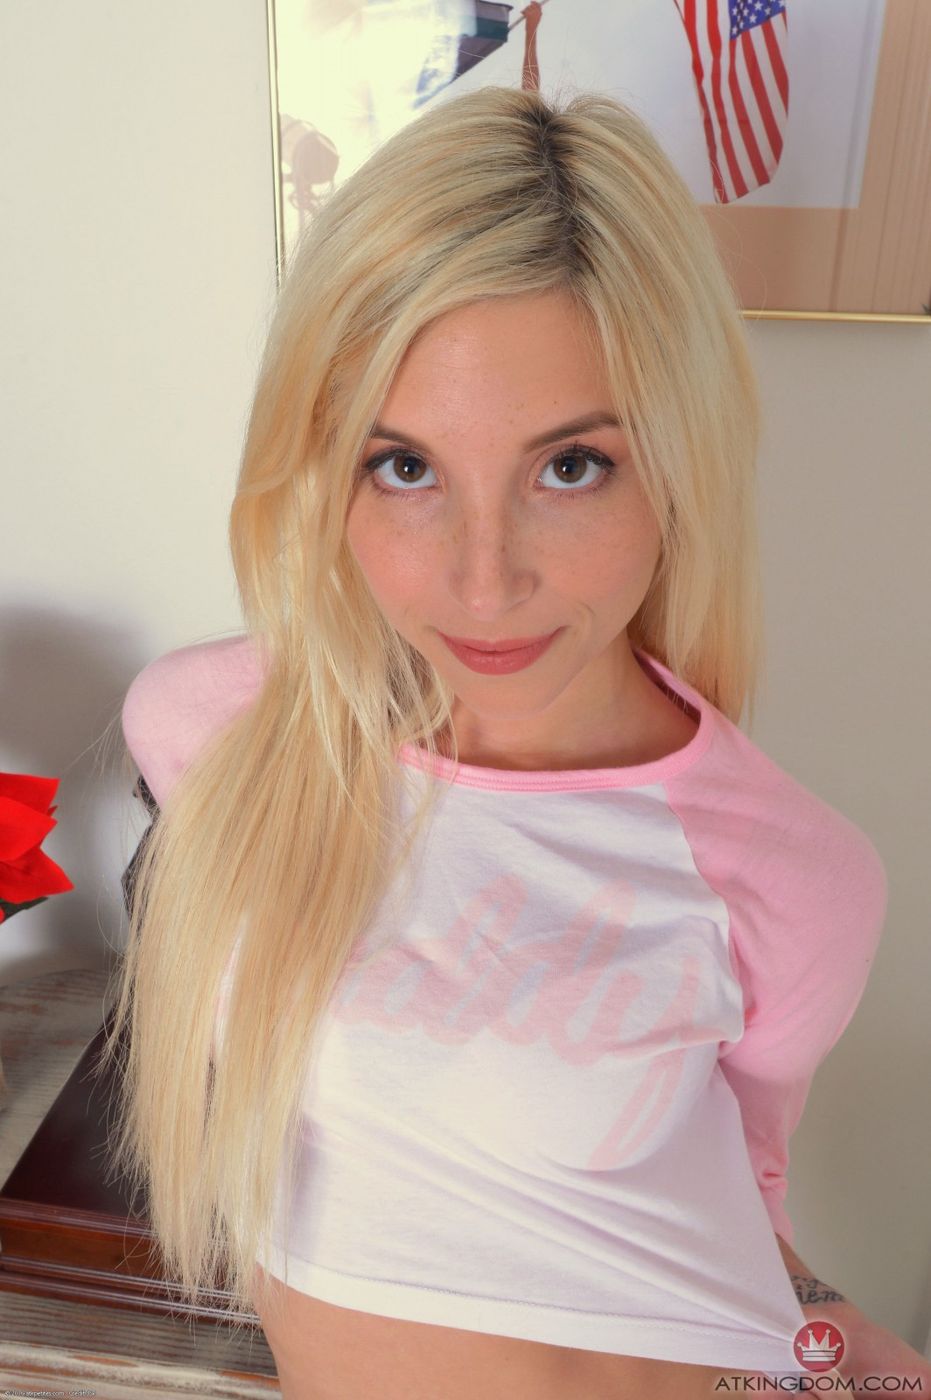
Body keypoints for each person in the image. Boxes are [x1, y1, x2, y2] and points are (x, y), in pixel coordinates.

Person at [99, 84, 911, 1399]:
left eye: (570, 466)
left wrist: (829, 1329)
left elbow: (737, 1186)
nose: (485, 584)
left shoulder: (790, 874)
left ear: (678, 466)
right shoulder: (211, 732)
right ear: (324, 469)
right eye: (405, 466)